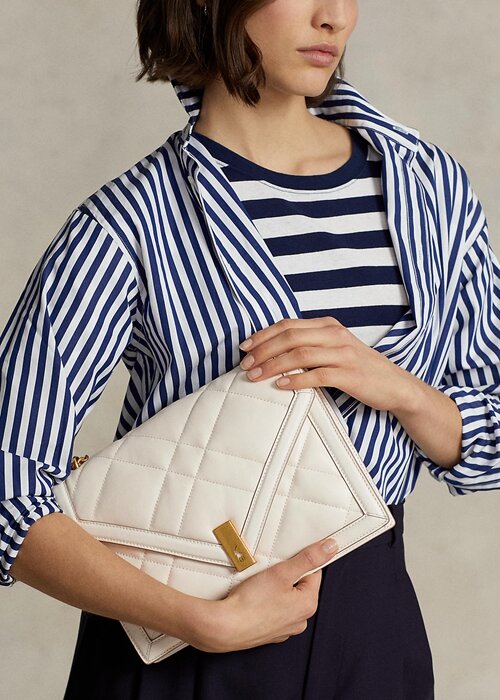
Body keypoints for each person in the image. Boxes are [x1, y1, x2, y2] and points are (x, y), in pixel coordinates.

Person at [1, 0, 499, 698]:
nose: (336, 17)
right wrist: (199, 621)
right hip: (183, 642)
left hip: (372, 635)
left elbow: (492, 438)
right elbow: (7, 477)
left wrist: (402, 391)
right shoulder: (129, 221)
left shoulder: (429, 189)